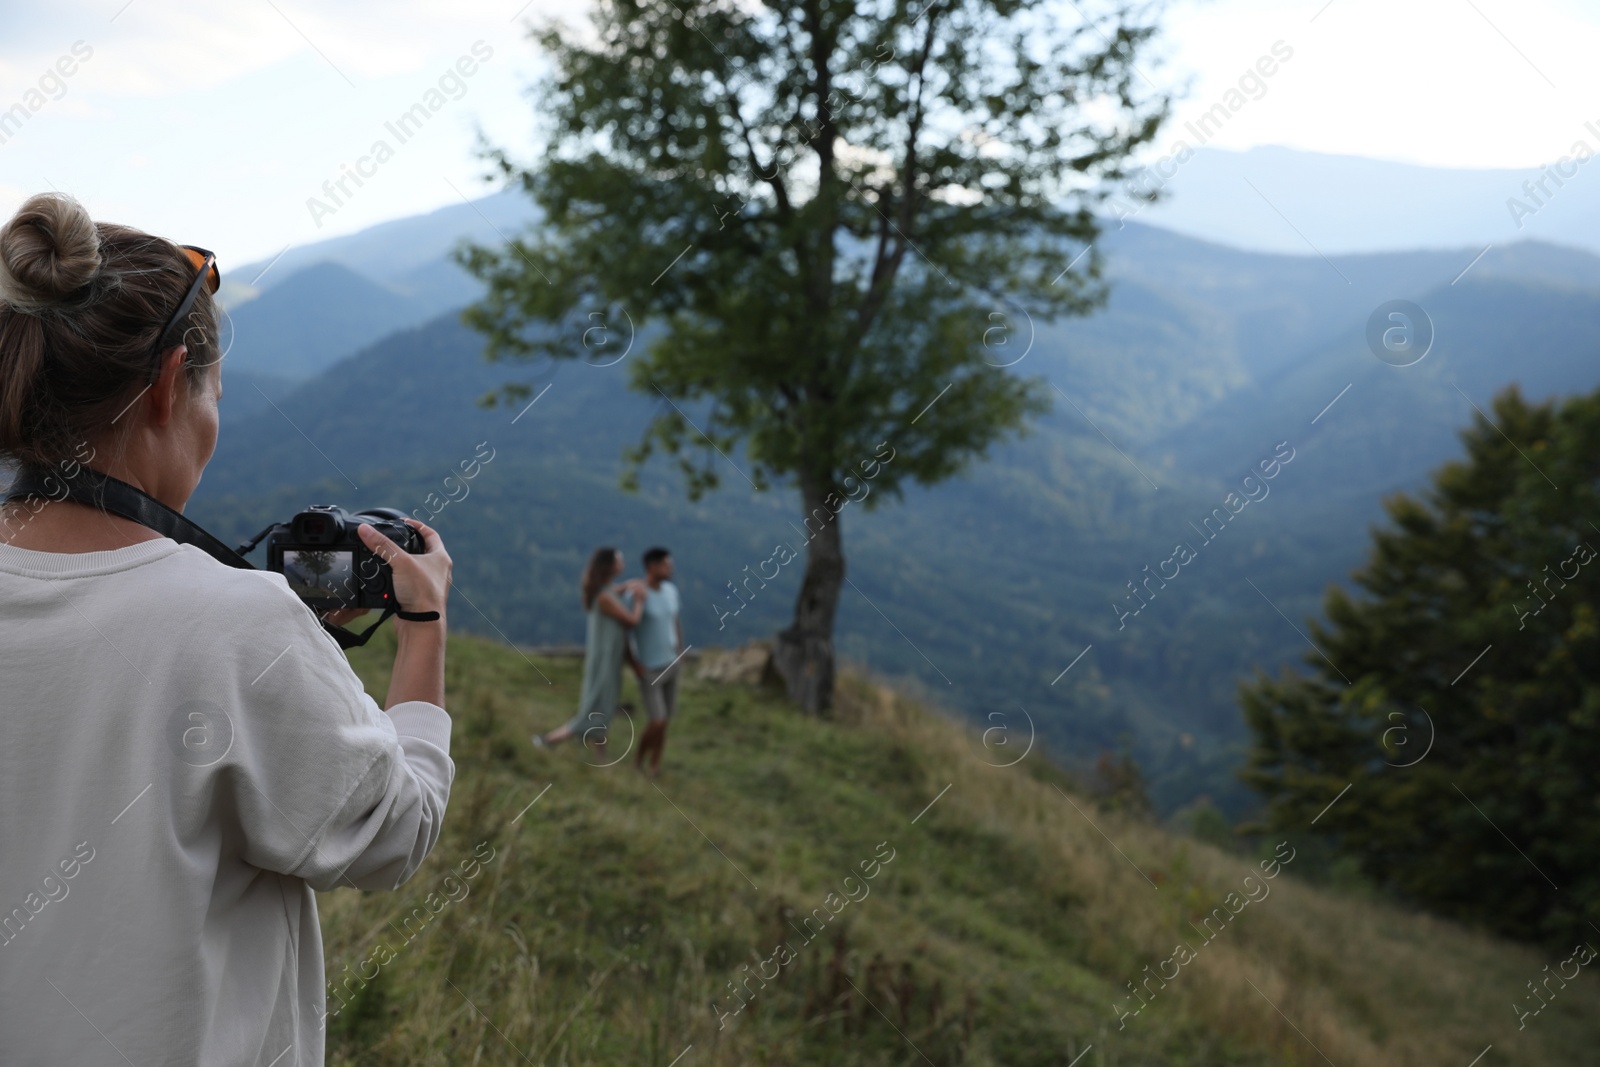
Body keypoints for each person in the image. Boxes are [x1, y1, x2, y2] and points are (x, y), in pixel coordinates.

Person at [0, 193, 456, 1065]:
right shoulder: (234, 623)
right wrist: (423, 627)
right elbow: (393, 831)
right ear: (171, 384)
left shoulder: (237, 627)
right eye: (215, 390)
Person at [533, 546, 645, 760]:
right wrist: (639, 602)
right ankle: (548, 740)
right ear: (610, 566)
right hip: (604, 662)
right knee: (595, 706)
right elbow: (631, 621)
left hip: (608, 661)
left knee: (604, 705)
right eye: (619, 560)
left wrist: (628, 586)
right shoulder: (604, 597)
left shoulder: (605, 591)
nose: (623, 563)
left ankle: (600, 756)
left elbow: (616, 591)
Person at [627, 545, 684, 776]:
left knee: (665, 720)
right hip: (649, 668)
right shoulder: (637, 595)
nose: (671, 568)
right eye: (666, 565)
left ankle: (655, 765)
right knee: (657, 720)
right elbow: (625, 631)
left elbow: (675, 621)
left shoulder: (671, 591)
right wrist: (634, 663)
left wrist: (680, 650)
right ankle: (638, 761)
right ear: (652, 567)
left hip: (672, 663)